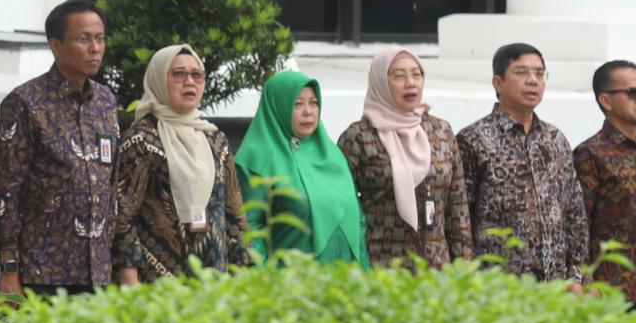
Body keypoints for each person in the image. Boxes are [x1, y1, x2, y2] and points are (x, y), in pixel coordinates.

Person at [0, 0, 119, 296]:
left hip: (98, 270)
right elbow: (6, 192)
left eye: (100, 39)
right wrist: (9, 269)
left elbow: (113, 185)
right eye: (84, 39)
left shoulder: (105, 101)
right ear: (55, 45)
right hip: (43, 272)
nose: (95, 48)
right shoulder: (25, 102)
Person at [113, 44, 247, 284]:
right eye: (178, 74)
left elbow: (234, 210)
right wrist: (128, 276)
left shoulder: (215, 139)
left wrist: (242, 270)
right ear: (158, 80)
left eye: (197, 75)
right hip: (157, 280)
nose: (190, 82)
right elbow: (123, 215)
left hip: (214, 277)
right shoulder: (140, 139)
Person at [456, 43, 589, 282]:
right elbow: (459, 217)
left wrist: (576, 276)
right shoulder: (473, 139)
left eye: (539, 73)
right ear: (498, 83)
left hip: (555, 285)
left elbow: (574, 213)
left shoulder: (554, 139)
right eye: (521, 72)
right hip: (498, 285)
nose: (533, 80)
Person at [338, 47, 471, 269]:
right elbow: (342, 208)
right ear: (381, 81)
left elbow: (458, 208)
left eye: (416, 74)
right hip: (381, 268)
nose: (410, 83)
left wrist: (465, 268)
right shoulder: (359, 136)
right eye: (399, 76)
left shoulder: (441, 131)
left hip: (437, 271)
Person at [573, 62, 636, 320]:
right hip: (608, 291)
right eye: (632, 93)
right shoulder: (590, 154)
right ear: (606, 100)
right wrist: (586, 279)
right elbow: (577, 225)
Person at [233, 69, 366, 265]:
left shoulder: (331, 154)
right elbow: (251, 227)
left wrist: (365, 270)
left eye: (313, 103)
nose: (308, 112)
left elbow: (358, 219)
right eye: (297, 104)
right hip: (291, 284)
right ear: (278, 107)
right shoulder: (257, 158)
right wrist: (262, 279)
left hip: (346, 281)